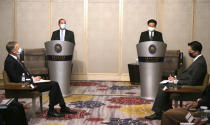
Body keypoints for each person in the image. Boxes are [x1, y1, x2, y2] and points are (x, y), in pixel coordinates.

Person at [4, 41, 77, 117]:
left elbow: (24, 74)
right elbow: (16, 79)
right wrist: (32, 80)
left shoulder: (15, 58)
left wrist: (33, 78)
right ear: (13, 50)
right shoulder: (9, 61)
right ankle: (52, 110)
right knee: (54, 84)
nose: (20, 49)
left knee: (54, 83)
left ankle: (63, 107)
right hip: (26, 86)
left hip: (30, 82)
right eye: (18, 48)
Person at [145, 41, 207, 120]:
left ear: (197, 51)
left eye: (190, 51)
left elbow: (192, 82)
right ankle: (164, 111)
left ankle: (159, 113)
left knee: (163, 86)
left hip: (189, 88)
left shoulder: (200, 63)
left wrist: (176, 81)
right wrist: (175, 79)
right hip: (185, 83)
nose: (189, 53)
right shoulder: (198, 60)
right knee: (164, 84)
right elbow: (189, 76)